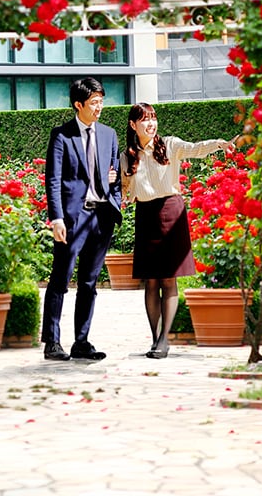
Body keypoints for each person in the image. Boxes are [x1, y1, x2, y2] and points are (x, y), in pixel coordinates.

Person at [121, 102, 234, 359]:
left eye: (153, 118)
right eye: (145, 120)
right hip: (145, 215)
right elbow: (124, 190)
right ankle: (155, 338)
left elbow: (195, 149)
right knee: (151, 280)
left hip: (171, 212)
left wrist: (220, 143)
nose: (151, 124)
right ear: (133, 125)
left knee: (169, 279)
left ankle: (164, 340)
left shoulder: (169, 145)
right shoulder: (127, 155)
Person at [41, 77, 123, 361]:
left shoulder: (109, 134)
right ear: (79, 105)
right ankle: (52, 341)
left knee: (90, 282)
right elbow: (52, 180)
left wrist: (115, 200)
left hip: (101, 217)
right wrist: (57, 218)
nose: (99, 107)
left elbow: (115, 176)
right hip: (73, 218)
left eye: (101, 101)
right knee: (61, 279)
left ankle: (81, 341)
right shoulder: (61, 136)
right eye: (94, 103)